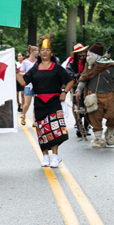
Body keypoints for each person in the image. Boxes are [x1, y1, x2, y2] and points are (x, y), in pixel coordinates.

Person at [17, 37, 74, 168]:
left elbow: (70, 80)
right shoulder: (35, 68)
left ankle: (55, 156)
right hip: (40, 103)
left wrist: (64, 92)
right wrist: (14, 71)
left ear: (51, 53)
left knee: (54, 129)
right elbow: (23, 82)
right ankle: (45, 157)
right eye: (42, 50)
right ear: (39, 53)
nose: (45, 52)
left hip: (54, 101)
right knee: (42, 130)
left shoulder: (57, 68)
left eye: (47, 50)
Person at [75, 42, 114, 148]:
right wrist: (78, 90)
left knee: (113, 115)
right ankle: (98, 139)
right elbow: (83, 78)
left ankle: (110, 134)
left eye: (89, 54)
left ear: (95, 55)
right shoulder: (88, 66)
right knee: (95, 118)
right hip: (93, 97)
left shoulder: (110, 65)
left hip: (110, 96)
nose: (87, 56)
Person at [66, 44, 90, 138]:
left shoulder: (88, 62)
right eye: (81, 52)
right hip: (76, 87)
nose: (83, 54)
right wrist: (75, 75)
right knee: (77, 106)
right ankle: (79, 126)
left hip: (88, 87)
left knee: (88, 106)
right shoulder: (72, 64)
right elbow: (68, 72)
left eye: (84, 52)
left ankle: (86, 126)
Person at [19, 45, 38, 125]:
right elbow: (21, 72)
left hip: (37, 84)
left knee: (36, 104)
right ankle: (23, 116)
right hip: (28, 85)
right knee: (27, 103)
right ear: (31, 52)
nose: (37, 52)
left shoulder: (38, 62)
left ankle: (34, 120)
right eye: (36, 50)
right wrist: (27, 75)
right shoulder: (25, 62)